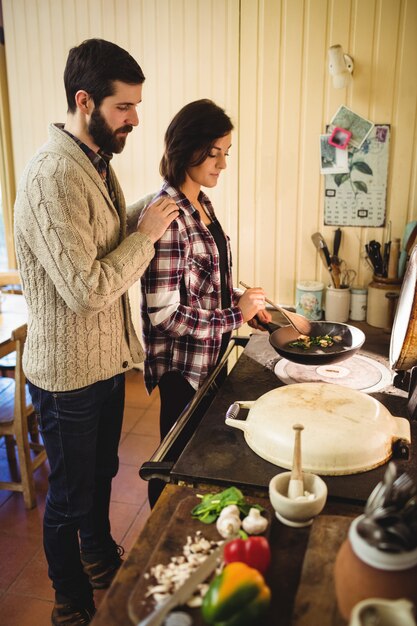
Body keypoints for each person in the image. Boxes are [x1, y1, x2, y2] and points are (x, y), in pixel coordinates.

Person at [13, 38, 178, 626]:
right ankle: (70, 601)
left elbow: (103, 238)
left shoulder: (92, 162)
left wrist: (152, 208)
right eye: (124, 107)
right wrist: (149, 234)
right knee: (68, 499)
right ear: (85, 101)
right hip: (68, 378)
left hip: (104, 366)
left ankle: (100, 556)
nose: (136, 118)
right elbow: (87, 288)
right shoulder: (52, 176)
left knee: (101, 474)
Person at [141, 99, 271, 505]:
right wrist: (235, 314)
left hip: (209, 358)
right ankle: (157, 545)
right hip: (183, 369)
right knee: (174, 464)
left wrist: (246, 305)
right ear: (186, 147)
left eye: (225, 153)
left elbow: (205, 286)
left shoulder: (203, 205)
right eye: (214, 153)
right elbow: (164, 314)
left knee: (198, 461)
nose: (222, 164)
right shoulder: (167, 215)